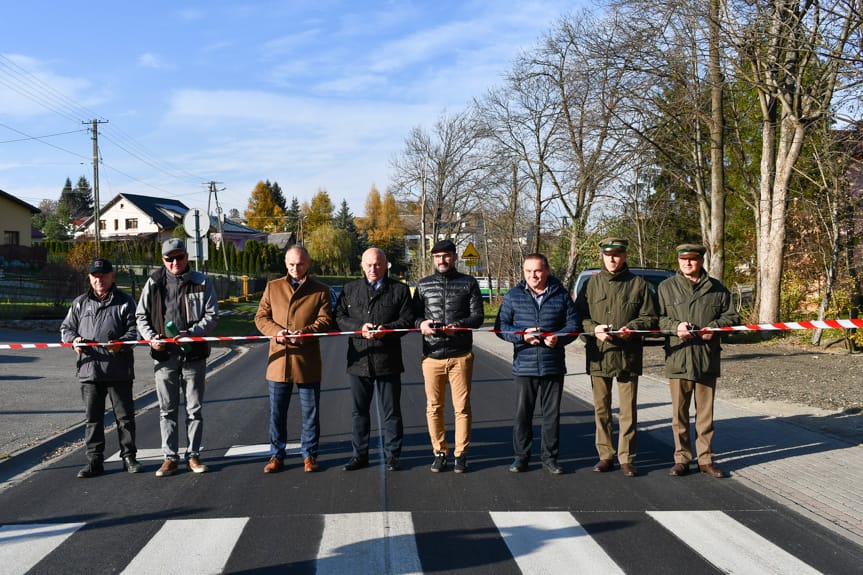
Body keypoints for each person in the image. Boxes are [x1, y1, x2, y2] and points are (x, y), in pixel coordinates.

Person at [136, 238, 219, 477]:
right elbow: (141, 315)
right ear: (163, 260)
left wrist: (191, 334)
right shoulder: (153, 282)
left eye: (179, 257)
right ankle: (169, 458)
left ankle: (193, 456)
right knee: (167, 409)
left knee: (194, 408)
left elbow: (212, 315)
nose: (175, 262)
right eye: (169, 258)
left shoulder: (202, 282)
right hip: (164, 356)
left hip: (194, 354)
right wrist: (152, 337)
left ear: (187, 257)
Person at [576, 238, 658, 477]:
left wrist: (633, 327)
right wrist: (594, 329)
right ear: (602, 256)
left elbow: (651, 317)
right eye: (608, 254)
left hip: (627, 355)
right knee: (601, 410)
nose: (612, 259)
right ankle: (605, 455)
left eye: (617, 254)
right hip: (599, 355)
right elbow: (579, 318)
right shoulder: (591, 285)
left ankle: (626, 457)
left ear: (624, 256)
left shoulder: (638, 284)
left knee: (627, 411)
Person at [658, 243, 739, 478]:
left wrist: (714, 328)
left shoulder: (717, 289)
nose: (688, 263)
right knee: (679, 414)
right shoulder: (666, 288)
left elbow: (732, 317)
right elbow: (658, 320)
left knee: (705, 415)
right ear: (679, 261)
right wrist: (675, 327)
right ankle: (681, 458)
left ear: (701, 261)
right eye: (684, 260)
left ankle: (706, 459)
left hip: (706, 359)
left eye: (692, 259)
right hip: (678, 358)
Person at [495, 253, 579, 475]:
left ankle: (550, 459)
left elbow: (574, 324)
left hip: (553, 364)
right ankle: (521, 457)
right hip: (525, 364)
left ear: (547, 271)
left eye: (538, 270)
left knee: (551, 416)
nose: (533, 275)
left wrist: (558, 337)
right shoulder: (513, 296)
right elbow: (501, 326)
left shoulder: (561, 294)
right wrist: (521, 335)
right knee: (523, 415)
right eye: (528, 271)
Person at [60, 258, 142, 478]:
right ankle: (95, 461)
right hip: (90, 371)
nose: (99, 280)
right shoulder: (80, 303)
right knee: (93, 419)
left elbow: (135, 331)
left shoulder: (125, 302)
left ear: (112, 276)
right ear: (90, 278)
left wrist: (120, 344)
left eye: (103, 276)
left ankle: (129, 457)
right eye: (95, 276)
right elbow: (66, 329)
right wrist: (75, 340)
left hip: (119, 370)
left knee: (124, 418)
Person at [255, 245, 332, 474]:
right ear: (285, 264)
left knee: (311, 412)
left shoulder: (320, 290)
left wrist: (305, 333)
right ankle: (276, 456)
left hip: (306, 360)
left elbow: (325, 320)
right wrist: (275, 332)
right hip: (279, 362)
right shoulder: (273, 287)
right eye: (291, 264)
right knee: (277, 413)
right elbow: (260, 317)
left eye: (300, 264)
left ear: (308, 264)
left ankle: (309, 455)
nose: (295, 268)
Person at [335, 248, 414, 472]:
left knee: (392, 412)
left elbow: (407, 320)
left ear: (386, 265)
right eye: (369, 265)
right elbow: (339, 318)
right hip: (359, 361)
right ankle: (359, 455)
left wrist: (386, 330)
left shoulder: (399, 290)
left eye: (377, 264)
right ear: (362, 265)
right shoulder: (350, 290)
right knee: (359, 412)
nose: (373, 269)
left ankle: (393, 456)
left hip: (388, 360)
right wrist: (359, 329)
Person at [412, 239, 484, 473]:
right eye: (437, 256)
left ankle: (461, 454)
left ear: (454, 257)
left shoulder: (468, 283)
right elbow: (412, 317)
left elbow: (478, 317)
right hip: (431, 355)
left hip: (460, 355)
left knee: (461, 407)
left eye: (446, 256)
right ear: (432, 259)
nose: (441, 260)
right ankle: (439, 452)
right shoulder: (422, 285)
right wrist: (421, 323)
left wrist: (458, 325)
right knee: (434, 407)